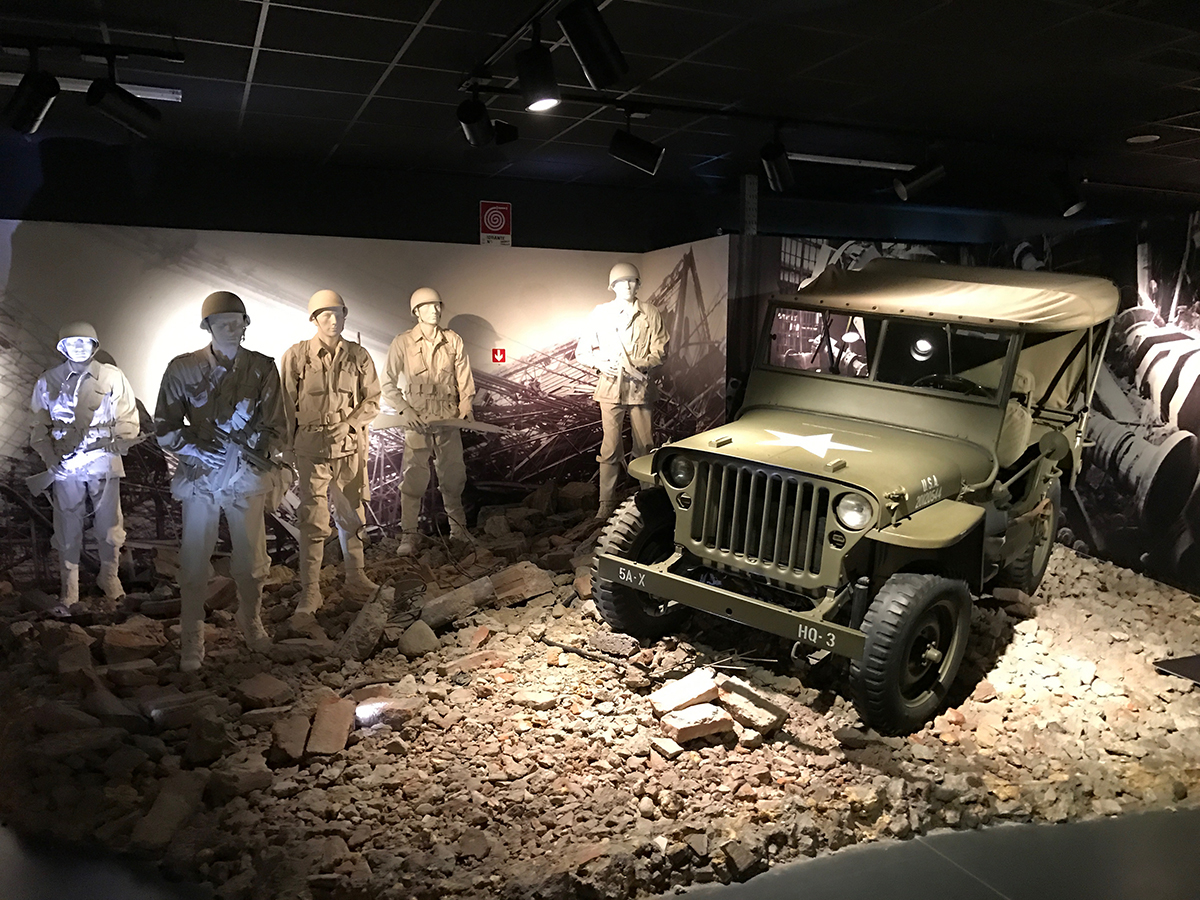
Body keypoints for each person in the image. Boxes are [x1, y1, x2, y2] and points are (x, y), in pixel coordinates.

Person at [154, 291, 288, 672]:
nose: (230, 328)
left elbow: (277, 427)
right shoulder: (183, 369)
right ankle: (192, 636)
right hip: (201, 476)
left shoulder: (262, 368)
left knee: (252, 561)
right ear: (207, 326)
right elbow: (165, 427)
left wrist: (253, 450)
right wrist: (195, 448)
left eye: (236, 321)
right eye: (221, 322)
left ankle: (251, 620)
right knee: (194, 562)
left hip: (245, 474)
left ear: (246, 325)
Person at [280, 289, 381, 621]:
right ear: (314, 319)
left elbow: (372, 400)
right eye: (326, 315)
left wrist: (350, 424)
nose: (333, 320)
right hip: (311, 450)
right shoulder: (296, 356)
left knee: (352, 515)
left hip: (348, 449)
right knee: (313, 521)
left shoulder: (358, 356)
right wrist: (287, 451)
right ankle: (311, 589)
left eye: (338, 314)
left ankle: (356, 576)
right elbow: (286, 406)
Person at [29, 322, 140, 605]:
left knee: (109, 525)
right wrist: (52, 461)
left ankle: (109, 576)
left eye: (84, 342)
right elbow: (39, 429)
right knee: (67, 526)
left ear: (94, 345)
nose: (78, 347)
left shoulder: (112, 377)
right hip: (65, 464)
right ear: (62, 347)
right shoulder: (48, 381)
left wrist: (118, 440)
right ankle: (70, 587)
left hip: (103, 461)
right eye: (72, 342)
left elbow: (128, 420)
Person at [383, 287, 475, 556]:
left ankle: (459, 531)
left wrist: (466, 406)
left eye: (437, 306)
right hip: (418, 421)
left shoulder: (453, 341)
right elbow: (387, 384)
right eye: (428, 306)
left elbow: (464, 379)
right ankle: (409, 535)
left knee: (453, 476)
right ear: (416, 311)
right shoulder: (403, 342)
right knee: (413, 480)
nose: (435, 310)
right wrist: (405, 411)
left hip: (447, 419)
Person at [575, 263, 668, 518]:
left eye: (632, 281)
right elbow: (582, 351)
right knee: (610, 447)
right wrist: (600, 363)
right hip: (610, 388)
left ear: (638, 284)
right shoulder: (601, 313)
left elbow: (661, 351)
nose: (627, 285)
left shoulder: (650, 313)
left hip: (640, 388)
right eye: (621, 281)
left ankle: (649, 502)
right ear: (612, 286)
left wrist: (639, 364)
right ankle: (606, 503)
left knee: (645, 446)